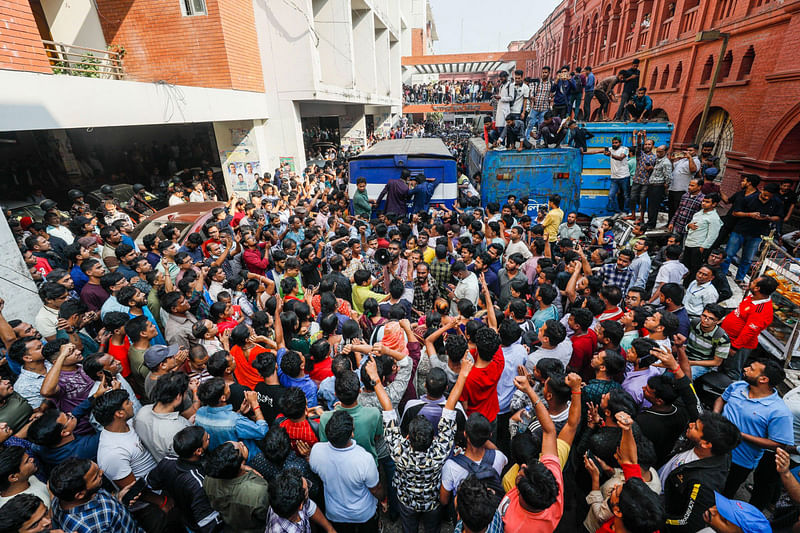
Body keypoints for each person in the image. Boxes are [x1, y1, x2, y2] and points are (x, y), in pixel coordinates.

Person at [369, 348, 470, 533]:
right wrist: (462, 374)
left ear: (407, 436)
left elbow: (388, 410)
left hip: (406, 501)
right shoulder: (440, 452)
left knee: (409, 528)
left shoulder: (398, 451)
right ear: (434, 438)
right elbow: (448, 409)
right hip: (433, 502)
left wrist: (376, 379)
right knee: (432, 529)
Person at [309, 410, 383, 531]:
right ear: (352, 434)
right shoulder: (364, 458)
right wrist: (383, 499)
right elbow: (375, 488)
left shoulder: (316, 451)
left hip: (335, 514)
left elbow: (315, 469)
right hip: (363, 514)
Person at [145, 426, 224, 533]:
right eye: (207, 439)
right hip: (196, 526)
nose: (209, 437)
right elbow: (208, 524)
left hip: (184, 517)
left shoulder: (167, 461)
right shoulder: (198, 483)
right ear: (198, 451)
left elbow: (148, 484)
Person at [49, 458, 141, 532]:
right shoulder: (88, 528)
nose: (102, 472)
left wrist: (118, 499)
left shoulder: (62, 497)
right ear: (80, 495)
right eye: (95, 477)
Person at [721, 181, 783, 285]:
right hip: (740, 230)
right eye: (765, 195)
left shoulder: (777, 202)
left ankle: (739, 279)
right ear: (762, 190)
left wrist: (768, 218)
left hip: (758, 234)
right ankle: (721, 275)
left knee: (747, 259)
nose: (766, 198)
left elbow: (779, 217)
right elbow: (735, 213)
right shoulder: (749, 198)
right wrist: (750, 214)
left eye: (769, 196)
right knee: (728, 255)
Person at [194, 378, 268, 462]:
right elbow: (262, 431)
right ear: (223, 398)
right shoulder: (235, 421)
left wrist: (240, 412)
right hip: (243, 460)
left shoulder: (200, 413)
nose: (229, 387)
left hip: (218, 459)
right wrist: (255, 404)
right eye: (227, 387)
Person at [203, 441, 270, 533]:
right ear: (241, 462)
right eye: (241, 446)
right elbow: (266, 516)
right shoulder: (258, 491)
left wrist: (244, 468)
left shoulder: (209, 479)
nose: (241, 442)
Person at [720, 275, 778, 379]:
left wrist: (734, 347)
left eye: (754, 282)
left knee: (732, 370)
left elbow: (749, 332)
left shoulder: (761, 310)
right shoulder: (752, 297)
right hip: (728, 338)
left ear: (757, 288)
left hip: (739, 345)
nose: (751, 283)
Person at [686, 303, 731, 381]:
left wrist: (692, 362)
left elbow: (716, 362)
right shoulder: (694, 323)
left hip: (702, 364)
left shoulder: (722, 338)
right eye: (704, 316)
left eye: (711, 318)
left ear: (718, 321)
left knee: (686, 378)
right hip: (685, 357)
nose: (705, 320)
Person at [683, 193, 722, 280]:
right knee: (686, 267)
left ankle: (690, 285)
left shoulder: (714, 218)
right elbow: (690, 225)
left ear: (714, 204)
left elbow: (713, 235)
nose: (703, 203)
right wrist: (688, 226)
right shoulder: (699, 213)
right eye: (703, 201)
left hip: (698, 246)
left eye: (707, 202)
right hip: (689, 243)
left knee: (695, 269)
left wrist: (702, 248)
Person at [668, 145, 700, 222]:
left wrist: (689, 158)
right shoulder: (682, 160)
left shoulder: (696, 161)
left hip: (682, 189)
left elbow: (693, 170)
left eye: (691, 150)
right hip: (673, 187)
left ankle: (676, 224)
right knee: (671, 208)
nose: (688, 152)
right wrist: (672, 160)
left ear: (696, 151)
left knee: (678, 208)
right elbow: (673, 168)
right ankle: (670, 223)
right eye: (687, 150)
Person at [605, 137, 630, 215]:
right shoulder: (610, 149)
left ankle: (625, 211)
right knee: (611, 196)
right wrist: (584, 153)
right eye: (613, 143)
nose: (614, 144)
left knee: (626, 196)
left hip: (624, 176)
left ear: (620, 143)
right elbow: (599, 151)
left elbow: (621, 158)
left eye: (616, 143)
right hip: (614, 178)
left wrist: (610, 155)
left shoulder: (625, 149)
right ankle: (617, 211)